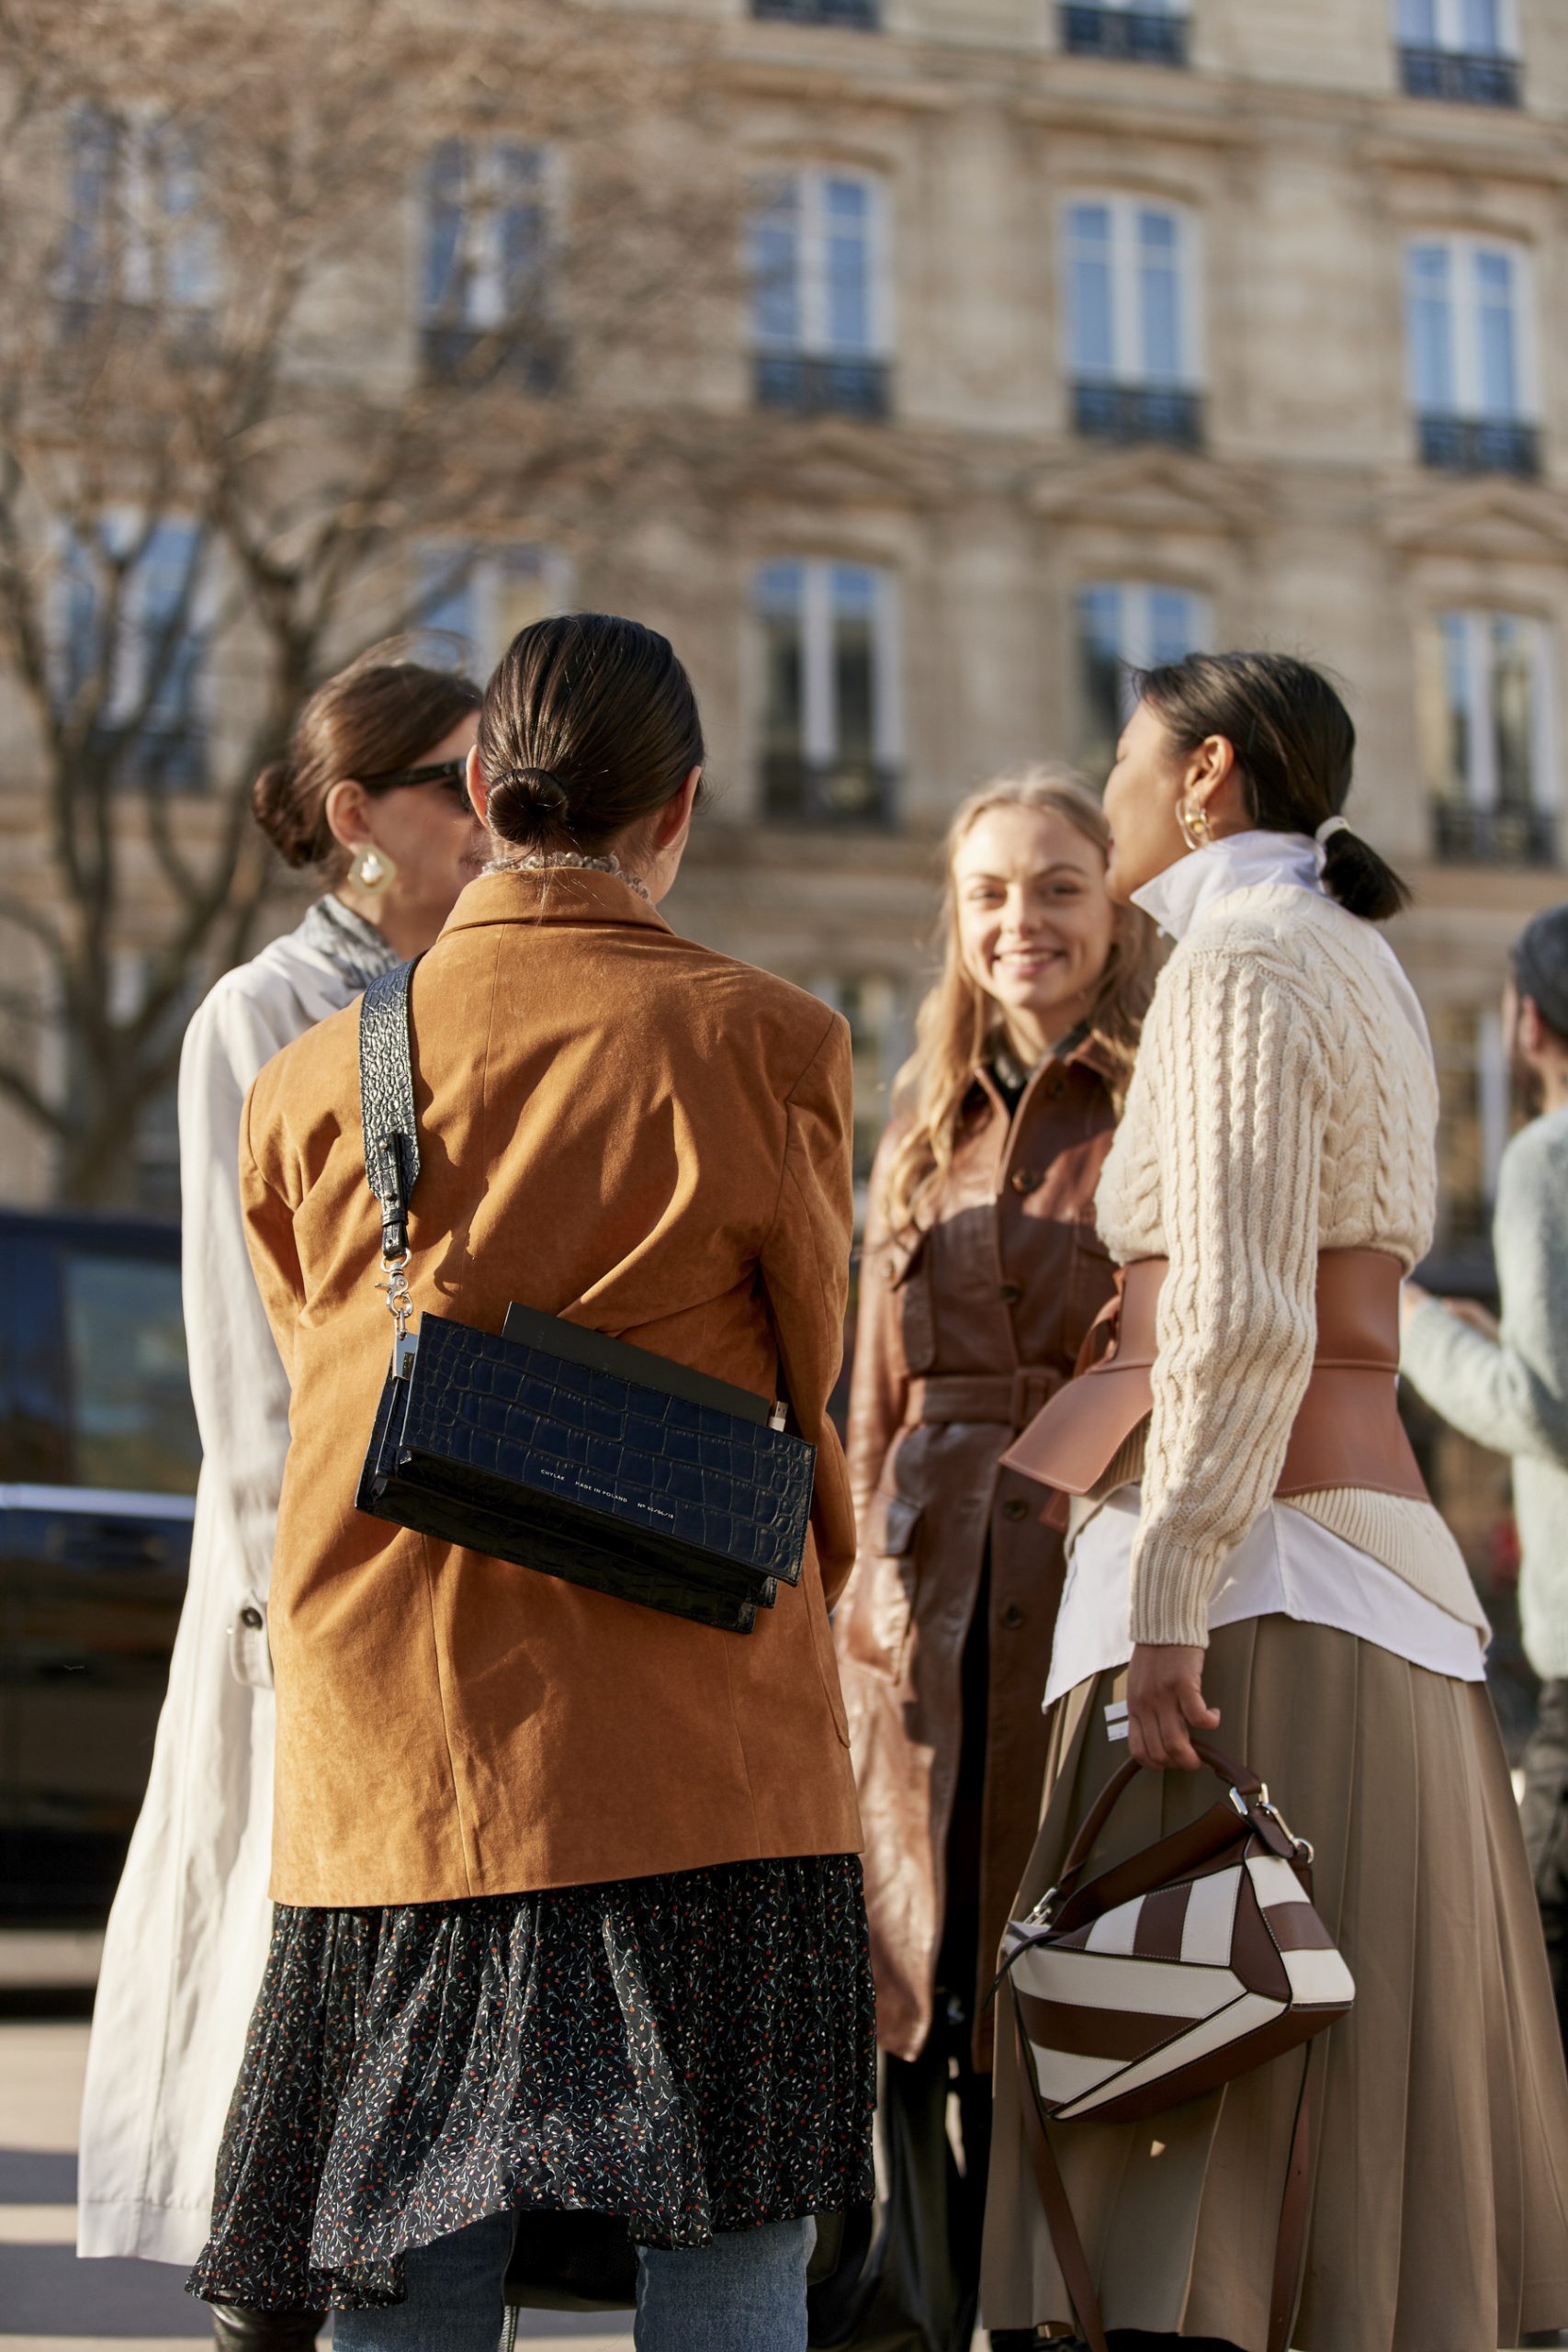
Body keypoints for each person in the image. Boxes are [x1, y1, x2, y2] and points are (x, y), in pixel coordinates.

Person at [185, 612, 876, 2352]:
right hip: (692, 1731)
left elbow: (312, 1369)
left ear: (483, 790)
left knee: (412, 2255)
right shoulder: (763, 1039)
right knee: (722, 2241)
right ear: (683, 808)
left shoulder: (303, 1079)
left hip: (406, 1733)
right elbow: (811, 1362)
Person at [980, 651, 1568, 2350]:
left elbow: (1236, 1318)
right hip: (1373, 1561)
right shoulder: (1354, 953)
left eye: (1123, 757)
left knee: (1190, 2107)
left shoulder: (1234, 965)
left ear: (1208, 774)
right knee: (1354, 2115)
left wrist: (1163, 1592)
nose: (1106, 786)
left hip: (1255, 1574)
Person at [77, 648, 486, 2351]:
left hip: (458, 1584)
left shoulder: (475, 990)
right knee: (282, 2006)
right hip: (307, 1604)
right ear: (354, 818)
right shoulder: (258, 1012)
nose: (489, 817)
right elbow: (242, 1373)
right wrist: (289, 1621)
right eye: (453, 786)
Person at [832, 772, 1154, 2352]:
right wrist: (853, 1584)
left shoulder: (1159, 1089)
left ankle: (1049, 2315)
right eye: (986, 896)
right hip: (912, 1599)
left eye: (1054, 888)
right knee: (911, 1987)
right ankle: (916, 2311)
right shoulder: (920, 1118)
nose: (1017, 921)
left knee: (1053, 1992)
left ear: (1112, 902)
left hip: (1083, 1572)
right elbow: (865, 1399)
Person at [1402, 899, 1568, 2051]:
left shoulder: (1543, 1156)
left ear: (1525, 1022)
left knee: (1538, 1968)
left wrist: (1408, 1320)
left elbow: (1540, 1410)